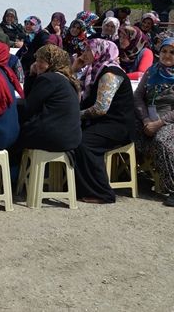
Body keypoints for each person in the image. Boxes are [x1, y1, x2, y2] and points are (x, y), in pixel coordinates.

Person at [72, 39, 135, 203]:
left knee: (84, 143)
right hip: (104, 122)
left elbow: (100, 108)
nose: (84, 54)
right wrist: (73, 69)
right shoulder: (94, 71)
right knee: (73, 138)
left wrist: (75, 115)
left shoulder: (110, 74)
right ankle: (82, 187)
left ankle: (102, 193)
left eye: (88, 50)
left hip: (117, 125)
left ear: (99, 52)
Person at [14, 44, 82, 163]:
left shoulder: (49, 79)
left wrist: (31, 76)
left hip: (54, 136)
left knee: (12, 135)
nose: (37, 64)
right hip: (70, 137)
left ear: (52, 63)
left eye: (42, 61)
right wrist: (33, 74)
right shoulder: (65, 78)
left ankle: (12, 176)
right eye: (37, 60)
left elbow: (28, 107)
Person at [133, 37, 174, 207]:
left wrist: (159, 123)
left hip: (169, 121)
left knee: (162, 141)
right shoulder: (152, 71)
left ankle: (172, 187)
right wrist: (145, 120)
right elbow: (138, 97)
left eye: (172, 52)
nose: (167, 55)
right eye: (164, 51)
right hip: (148, 120)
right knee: (124, 132)